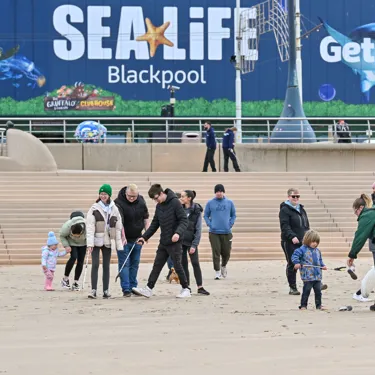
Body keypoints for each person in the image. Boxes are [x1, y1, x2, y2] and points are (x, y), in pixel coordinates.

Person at [132, 184, 191, 298]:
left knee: (177, 265)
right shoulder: (159, 206)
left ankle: (186, 289)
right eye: (154, 199)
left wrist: (178, 233)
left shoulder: (175, 202)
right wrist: (144, 237)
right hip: (164, 241)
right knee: (157, 265)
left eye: (156, 198)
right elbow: (155, 224)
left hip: (175, 241)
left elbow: (184, 220)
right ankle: (148, 288)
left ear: (161, 193)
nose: (156, 201)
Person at [86, 184, 123, 299]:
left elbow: (118, 227)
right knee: (95, 264)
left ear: (109, 195)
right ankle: (93, 290)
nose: (103, 196)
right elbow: (90, 226)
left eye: (105, 194)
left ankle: (106, 290)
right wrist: (90, 244)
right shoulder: (94, 208)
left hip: (108, 240)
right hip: (96, 240)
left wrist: (119, 244)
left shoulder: (114, 208)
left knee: (106, 266)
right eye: (101, 194)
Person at [115, 183, 150, 297]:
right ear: (126, 193)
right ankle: (126, 289)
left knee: (135, 263)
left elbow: (145, 218)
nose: (131, 198)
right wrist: (123, 238)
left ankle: (133, 286)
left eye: (134, 196)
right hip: (123, 239)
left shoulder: (141, 200)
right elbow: (119, 223)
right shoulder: (118, 203)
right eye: (129, 196)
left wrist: (146, 235)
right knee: (125, 264)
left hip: (137, 238)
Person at [279, 188, 310, 295]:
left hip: (303, 241)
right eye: (293, 196)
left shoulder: (301, 209)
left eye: (298, 196)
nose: (296, 198)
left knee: (307, 262)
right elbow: (284, 226)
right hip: (289, 242)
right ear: (289, 197)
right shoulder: (284, 210)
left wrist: (309, 236)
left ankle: (314, 283)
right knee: (293, 263)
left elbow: (306, 225)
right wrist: (292, 236)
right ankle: (293, 287)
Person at [180, 190, 210, 295]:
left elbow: (198, 229)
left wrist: (194, 244)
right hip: (181, 241)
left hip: (191, 241)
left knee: (195, 263)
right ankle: (186, 287)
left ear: (189, 198)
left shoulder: (196, 211)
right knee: (183, 264)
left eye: (183, 196)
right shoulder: (180, 209)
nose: (181, 198)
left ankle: (200, 286)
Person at [204, 184, 236, 280]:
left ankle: (223, 266)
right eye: (217, 191)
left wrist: (230, 223)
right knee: (216, 252)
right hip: (214, 232)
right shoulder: (210, 203)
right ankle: (217, 271)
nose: (219, 193)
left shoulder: (229, 202)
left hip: (226, 231)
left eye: (221, 191)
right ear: (215, 192)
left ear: (223, 192)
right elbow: (205, 215)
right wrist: (210, 224)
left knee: (226, 252)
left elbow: (233, 215)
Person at [347, 194, 375, 304]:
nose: (356, 216)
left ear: (361, 208)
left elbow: (360, 236)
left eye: (356, 212)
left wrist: (352, 255)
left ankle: (360, 293)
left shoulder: (367, 215)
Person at [292, 230, 327, 310]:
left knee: (318, 292)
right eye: (313, 242)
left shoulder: (318, 251)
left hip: (317, 275)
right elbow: (295, 256)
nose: (315, 244)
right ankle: (303, 305)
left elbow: (320, 260)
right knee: (306, 291)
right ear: (307, 240)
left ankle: (319, 305)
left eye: (317, 242)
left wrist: (323, 265)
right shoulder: (302, 249)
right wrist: (296, 263)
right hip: (307, 275)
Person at [60, 211, 87, 291]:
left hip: (83, 243)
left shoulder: (87, 226)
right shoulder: (67, 226)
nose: (76, 237)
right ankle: (65, 279)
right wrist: (66, 245)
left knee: (80, 261)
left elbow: (90, 235)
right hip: (71, 243)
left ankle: (76, 282)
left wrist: (90, 245)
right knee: (73, 257)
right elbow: (62, 236)